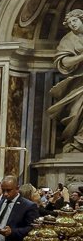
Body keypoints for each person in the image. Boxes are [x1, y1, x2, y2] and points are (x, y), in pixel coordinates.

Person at [48, 9, 83, 152]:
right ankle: (76, 142)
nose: (72, 24)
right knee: (75, 112)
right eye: (69, 23)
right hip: (78, 82)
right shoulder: (68, 39)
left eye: (74, 21)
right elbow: (64, 62)